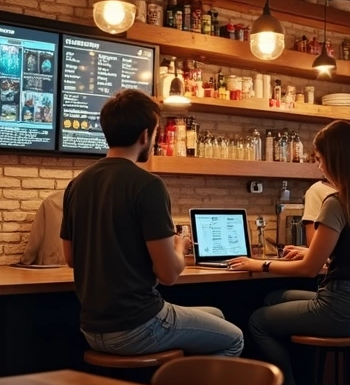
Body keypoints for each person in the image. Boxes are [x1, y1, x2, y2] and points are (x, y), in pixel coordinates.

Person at [61, 89, 242, 357]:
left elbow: (71, 258)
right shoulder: (148, 185)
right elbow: (169, 275)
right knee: (233, 338)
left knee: (215, 315)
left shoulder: (77, 184)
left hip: (92, 329)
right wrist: (179, 246)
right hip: (139, 326)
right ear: (146, 135)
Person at [229, 121, 350, 385]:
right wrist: (312, 250)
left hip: (341, 308)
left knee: (257, 320)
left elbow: (308, 270)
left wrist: (260, 264)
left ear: (334, 158)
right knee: (272, 298)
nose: (318, 167)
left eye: (319, 159)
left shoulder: (336, 202)